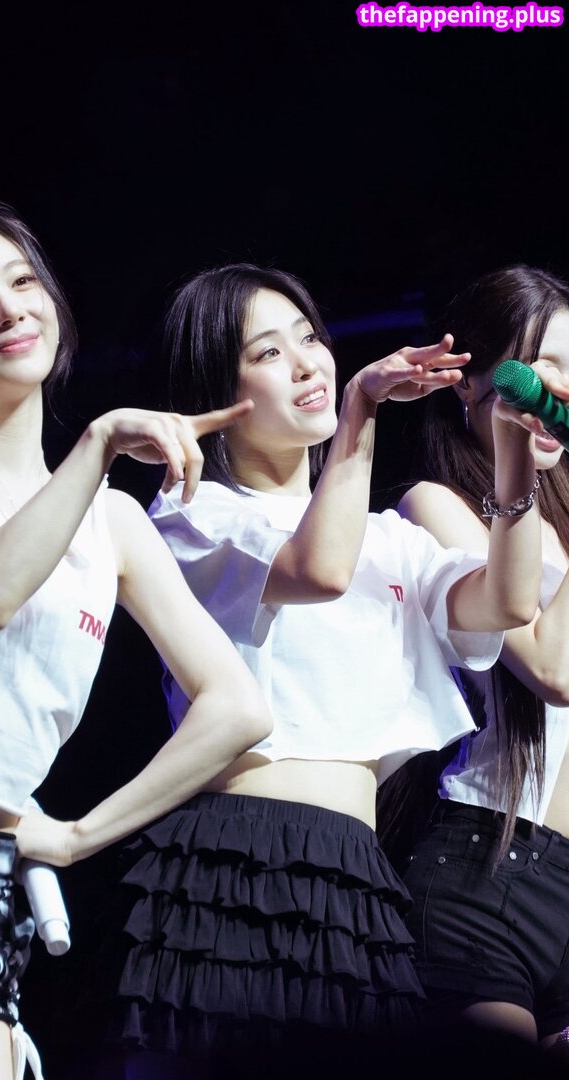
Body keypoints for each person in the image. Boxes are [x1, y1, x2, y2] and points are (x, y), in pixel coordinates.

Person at [64, 261, 551, 1076]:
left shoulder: (389, 538)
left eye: (309, 338)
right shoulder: (194, 515)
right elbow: (318, 570)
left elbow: (505, 602)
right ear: (218, 392)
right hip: (236, 852)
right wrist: (360, 409)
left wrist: (513, 454)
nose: (305, 362)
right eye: (267, 352)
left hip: (358, 871)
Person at [0, 198, 274, 1080]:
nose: (9, 309)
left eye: (23, 281)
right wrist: (100, 441)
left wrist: (79, 836)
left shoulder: (114, 524)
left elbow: (238, 707)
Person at [388, 264, 569, 1051]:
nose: (565, 392)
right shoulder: (436, 505)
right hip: (485, 868)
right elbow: (553, 669)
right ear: (472, 384)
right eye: (547, 367)